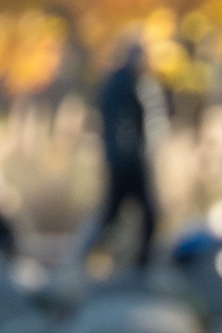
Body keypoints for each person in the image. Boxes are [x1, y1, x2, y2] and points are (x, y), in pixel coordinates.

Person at [76, 42, 160, 271]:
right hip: (127, 161)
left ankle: (89, 256)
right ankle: (139, 264)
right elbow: (125, 124)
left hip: (120, 160)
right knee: (141, 214)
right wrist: (133, 153)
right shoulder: (126, 84)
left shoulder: (118, 82)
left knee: (115, 215)